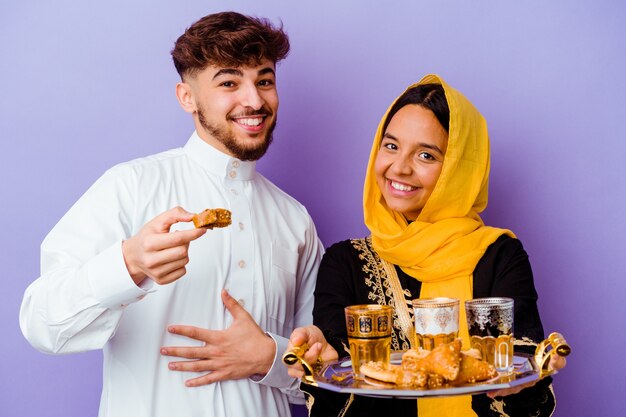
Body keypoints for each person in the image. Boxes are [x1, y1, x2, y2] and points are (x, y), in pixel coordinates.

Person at [20, 11, 324, 417]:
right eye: (229, 82)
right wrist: (127, 264)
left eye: (264, 80)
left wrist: (271, 357)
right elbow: (42, 326)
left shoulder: (295, 220)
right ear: (187, 97)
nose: (254, 100)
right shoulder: (129, 186)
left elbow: (319, 372)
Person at [284, 74, 566, 417]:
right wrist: (321, 364)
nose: (399, 168)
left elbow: (523, 389)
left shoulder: (498, 255)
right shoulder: (345, 261)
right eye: (390, 146)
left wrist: (522, 384)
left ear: (459, 170)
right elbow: (336, 391)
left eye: (426, 156)